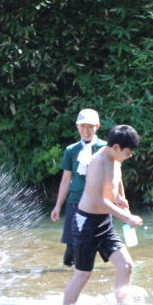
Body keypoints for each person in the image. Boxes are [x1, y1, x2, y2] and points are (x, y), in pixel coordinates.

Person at [63, 124, 143, 305]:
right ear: (116, 147)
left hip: (104, 222)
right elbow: (98, 199)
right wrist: (126, 217)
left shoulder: (116, 159)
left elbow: (118, 179)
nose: (129, 156)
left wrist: (121, 198)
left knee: (126, 266)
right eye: (128, 152)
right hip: (87, 222)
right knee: (83, 274)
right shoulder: (97, 162)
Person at [51, 108, 107, 267]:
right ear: (77, 127)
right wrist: (57, 206)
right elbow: (65, 180)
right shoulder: (71, 150)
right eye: (82, 126)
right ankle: (68, 276)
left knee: (103, 243)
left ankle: (117, 270)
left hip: (99, 203)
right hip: (75, 202)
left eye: (90, 126)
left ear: (97, 126)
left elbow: (115, 177)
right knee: (72, 245)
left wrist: (121, 200)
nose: (86, 130)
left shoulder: (105, 148)